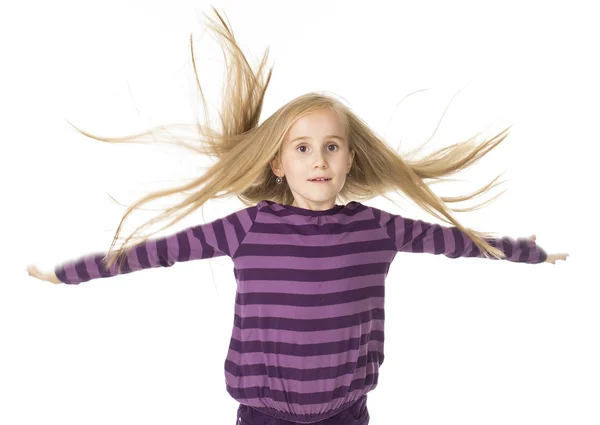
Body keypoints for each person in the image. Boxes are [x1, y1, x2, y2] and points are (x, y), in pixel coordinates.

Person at [25, 7, 568, 425]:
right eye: (302, 148)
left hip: (347, 413)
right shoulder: (249, 227)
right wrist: (68, 271)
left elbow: (460, 242)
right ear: (278, 163)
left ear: (350, 158)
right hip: (263, 414)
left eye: (332, 146)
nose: (319, 159)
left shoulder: (379, 228)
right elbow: (158, 253)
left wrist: (534, 252)